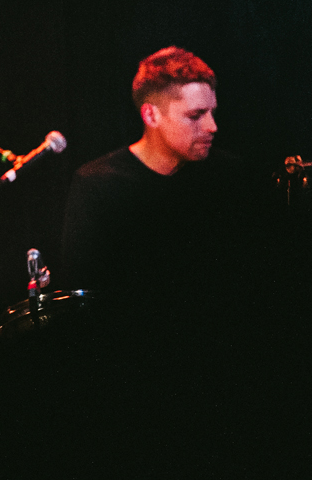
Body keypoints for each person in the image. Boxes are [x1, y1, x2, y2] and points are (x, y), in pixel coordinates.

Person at [60, 46, 254, 297]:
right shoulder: (98, 184)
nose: (212, 126)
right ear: (151, 115)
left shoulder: (227, 175)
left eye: (212, 113)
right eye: (196, 115)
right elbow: (83, 292)